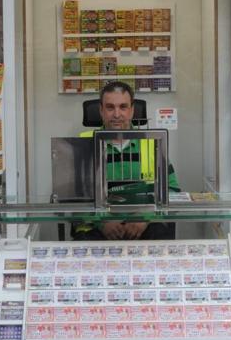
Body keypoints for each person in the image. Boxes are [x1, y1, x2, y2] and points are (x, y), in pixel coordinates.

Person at [73, 81, 179, 241]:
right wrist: (102, 221)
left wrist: (145, 217)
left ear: (132, 110)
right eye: (110, 107)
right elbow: (71, 201)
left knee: (159, 237)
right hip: (96, 229)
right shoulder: (83, 144)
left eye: (123, 107)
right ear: (101, 110)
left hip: (144, 227)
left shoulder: (153, 143)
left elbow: (174, 191)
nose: (117, 114)